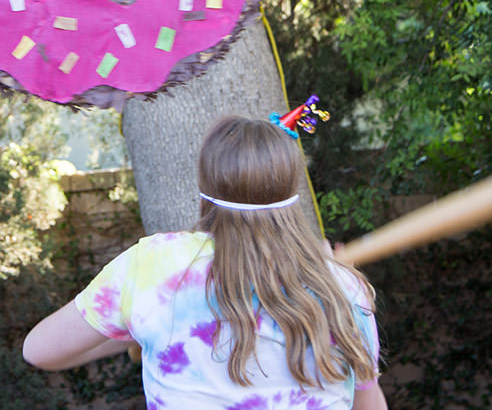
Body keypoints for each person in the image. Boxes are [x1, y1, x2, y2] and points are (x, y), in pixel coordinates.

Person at [23, 115, 388, 409]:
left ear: (206, 189)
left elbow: (39, 350)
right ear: (291, 191)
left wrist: (134, 323)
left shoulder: (152, 268)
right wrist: (334, 279)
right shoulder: (345, 291)